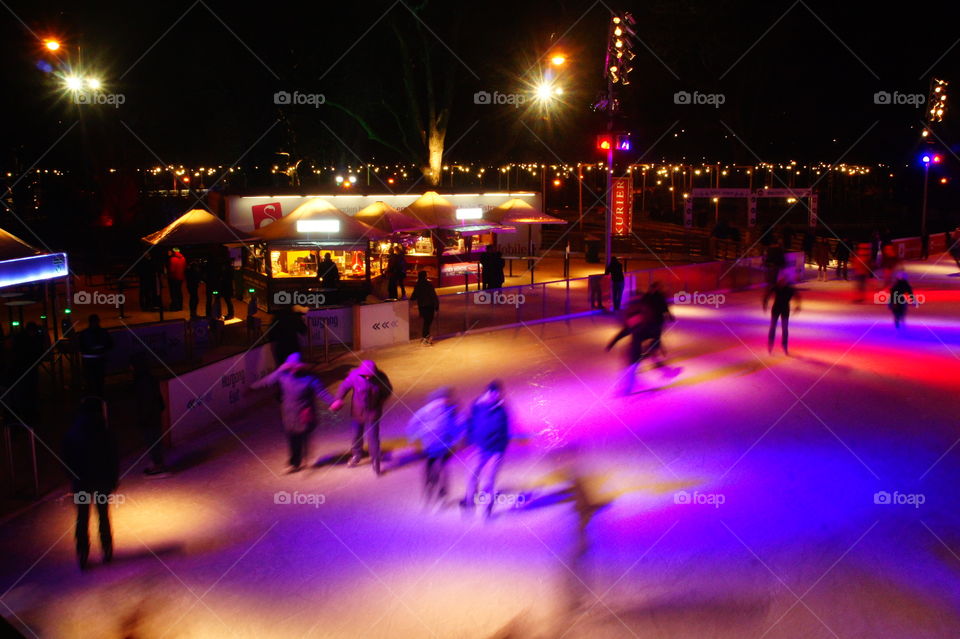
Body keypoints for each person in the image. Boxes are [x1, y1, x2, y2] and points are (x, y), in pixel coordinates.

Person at [251, 352, 334, 472]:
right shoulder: (282, 375)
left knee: (304, 435)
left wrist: (332, 402)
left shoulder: (310, 378)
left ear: (300, 366)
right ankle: (295, 462)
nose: (294, 369)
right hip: (289, 414)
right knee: (292, 437)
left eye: (296, 366)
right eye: (291, 366)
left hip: (305, 413)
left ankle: (306, 454)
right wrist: (252, 387)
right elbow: (267, 381)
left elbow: (322, 392)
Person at [63, 397, 118, 570]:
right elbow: (112, 457)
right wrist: (113, 478)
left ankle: (82, 553)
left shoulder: (72, 434)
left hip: (82, 482)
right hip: (102, 480)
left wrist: (72, 478)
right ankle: (107, 548)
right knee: (103, 515)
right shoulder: (105, 432)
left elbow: (66, 459)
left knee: (82, 517)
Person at [330, 360, 393, 476]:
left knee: (373, 437)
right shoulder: (354, 376)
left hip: (373, 412)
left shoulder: (381, 377)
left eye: (371, 376)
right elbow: (344, 386)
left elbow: (388, 391)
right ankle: (356, 455)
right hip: (357, 412)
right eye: (366, 376)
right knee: (356, 435)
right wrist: (339, 398)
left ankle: (375, 460)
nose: (368, 378)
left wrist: (379, 403)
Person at [461, 380, 510, 519]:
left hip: (495, 450)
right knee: (471, 475)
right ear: (488, 393)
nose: (495, 397)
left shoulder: (502, 410)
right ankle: (469, 502)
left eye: (498, 394)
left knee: (488, 480)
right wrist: (468, 443)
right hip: (479, 447)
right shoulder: (477, 406)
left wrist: (502, 447)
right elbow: (470, 425)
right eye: (493, 394)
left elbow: (505, 430)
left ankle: (486, 508)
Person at [407, 387, 462, 504]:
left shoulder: (450, 411)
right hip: (429, 447)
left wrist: (454, 439)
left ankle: (442, 496)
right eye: (441, 400)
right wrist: (415, 437)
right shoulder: (424, 412)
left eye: (445, 400)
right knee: (429, 472)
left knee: (442, 471)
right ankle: (429, 493)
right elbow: (413, 425)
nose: (442, 403)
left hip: (444, 447)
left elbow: (458, 426)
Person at [605, 293, 658, 394]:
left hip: (638, 351)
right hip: (635, 350)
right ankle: (630, 385)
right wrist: (612, 343)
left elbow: (654, 335)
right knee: (629, 369)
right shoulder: (634, 323)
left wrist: (650, 348)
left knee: (630, 369)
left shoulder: (643, 325)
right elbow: (624, 332)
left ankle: (628, 387)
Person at [131, 352, 168, 476]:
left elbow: (147, 400)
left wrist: (143, 418)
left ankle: (158, 464)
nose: (129, 368)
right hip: (153, 414)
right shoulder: (149, 378)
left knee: (153, 440)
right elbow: (158, 398)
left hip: (149, 417)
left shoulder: (142, 382)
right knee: (154, 439)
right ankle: (156, 462)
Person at [763, 276, 800, 355]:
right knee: (773, 327)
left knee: (784, 328)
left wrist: (798, 305)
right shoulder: (776, 287)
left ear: (786, 282)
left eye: (783, 281)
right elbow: (767, 295)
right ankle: (771, 344)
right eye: (780, 281)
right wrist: (765, 303)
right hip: (776, 309)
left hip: (785, 310)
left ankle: (784, 346)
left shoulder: (790, 289)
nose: (781, 282)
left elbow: (797, 296)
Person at [77, 314, 113, 397]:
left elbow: (80, 346)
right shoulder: (103, 332)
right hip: (96, 359)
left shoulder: (84, 333)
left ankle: (94, 398)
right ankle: (97, 398)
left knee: (94, 381)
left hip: (91, 360)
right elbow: (110, 344)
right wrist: (102, 349)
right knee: (97, 381)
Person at [410, 270, 439, 345]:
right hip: (430, 306)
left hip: (422, 307)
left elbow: (413, 297)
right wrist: (436, 305)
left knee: (426, 322)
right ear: (425, 276)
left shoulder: (418, 285)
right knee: (428, 322)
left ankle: (425, 336)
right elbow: (433, 295)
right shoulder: (429, 284)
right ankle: (425, 337)